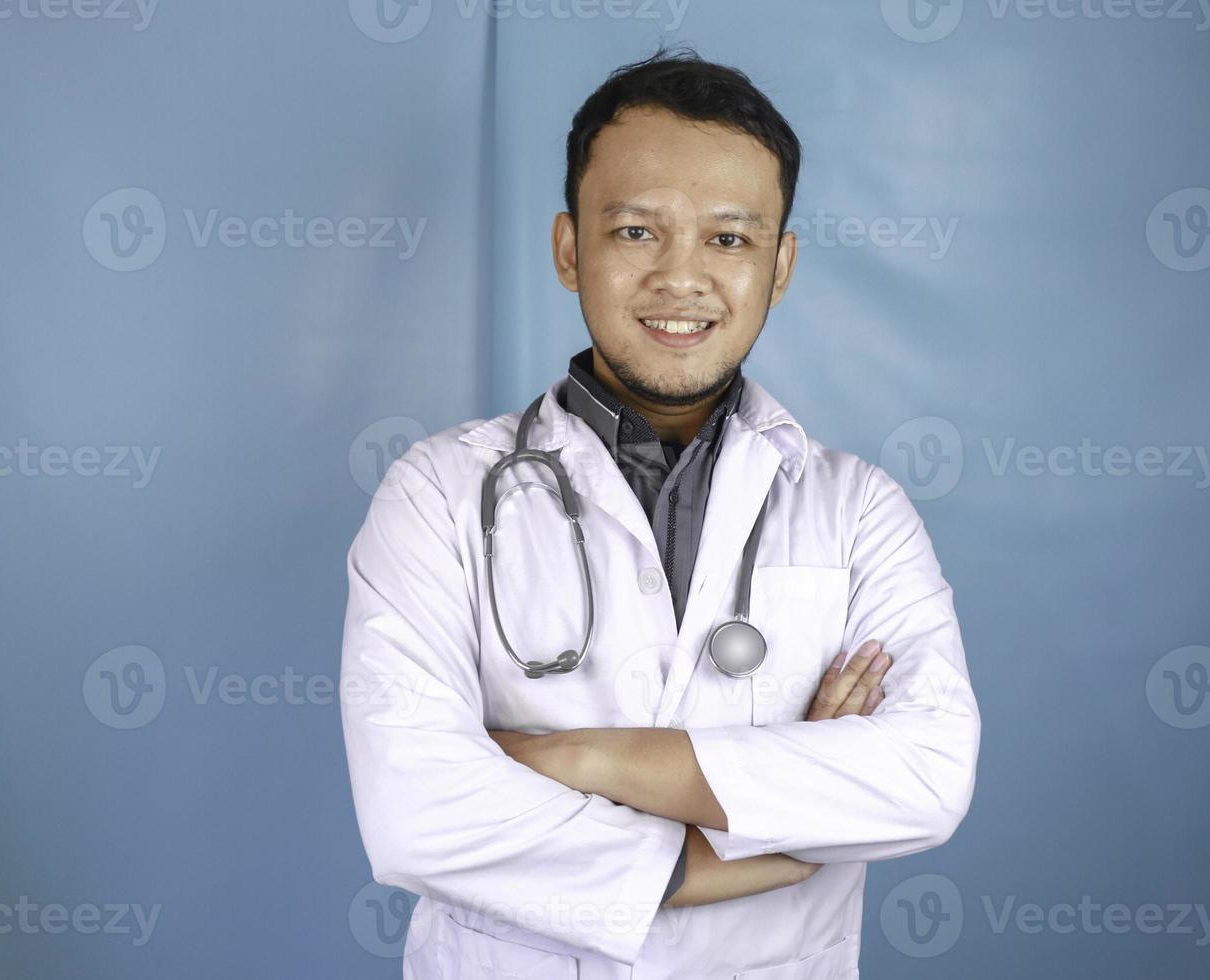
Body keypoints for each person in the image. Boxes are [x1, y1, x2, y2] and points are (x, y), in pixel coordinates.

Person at [340, 47, 981, 978]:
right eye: (637, 232)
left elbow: (926, 776)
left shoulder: (857, 512)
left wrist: (581, 760)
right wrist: (750, 840)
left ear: (780, 265)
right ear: (570, 249)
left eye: (730, 239)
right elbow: (417, 812)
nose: (682, 279)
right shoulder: (438, 495)